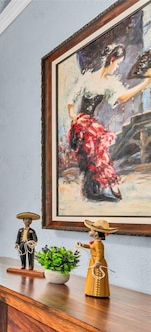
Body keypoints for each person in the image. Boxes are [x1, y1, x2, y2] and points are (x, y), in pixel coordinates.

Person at [67, 44, 151, 202]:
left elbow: (123, 97)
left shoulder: (109, 83)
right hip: (81, 123)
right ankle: (108, 186)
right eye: (118, 64)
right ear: (112, 59)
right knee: (96, 152)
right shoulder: (88, 77)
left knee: (96, 153)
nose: (117, 68)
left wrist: (145, 83)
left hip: (88, 124)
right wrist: (73, 116)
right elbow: (72, 97)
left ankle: (97, 189)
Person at [75, 219, 117, 298]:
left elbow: (99, 254)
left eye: (91, 230)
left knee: (97, 278)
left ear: (96, 233)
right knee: (92, 276)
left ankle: (97, 292)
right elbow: (91, 247)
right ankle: (91, 291)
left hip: (97, 262)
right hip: (93, 261)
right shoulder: (95, 242)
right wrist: (82, 245)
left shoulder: (98, 244)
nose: (89, 232)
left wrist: (97, 262)